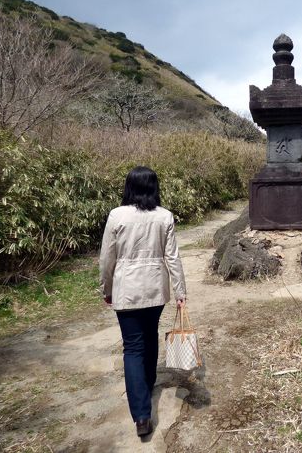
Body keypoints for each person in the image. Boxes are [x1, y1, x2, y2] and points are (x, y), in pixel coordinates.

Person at [99, 166, 186, 438]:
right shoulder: (165, 217)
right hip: (156, 290)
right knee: (150, 338)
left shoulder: (117, 215)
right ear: (154, 188)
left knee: (133, 347)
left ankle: (141, 415)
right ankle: (146, 385)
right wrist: (180, 291)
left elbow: (107, 258)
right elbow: (172, 257)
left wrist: (106, 287)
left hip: (127, 290)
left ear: (129, 187)